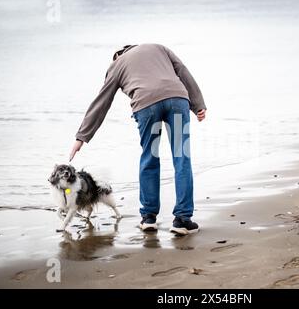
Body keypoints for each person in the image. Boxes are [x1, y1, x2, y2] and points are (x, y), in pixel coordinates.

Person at [69, 44, 207, 235]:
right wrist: (198, 104)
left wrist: (81, 137)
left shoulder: (117, 65)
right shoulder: (158, 48)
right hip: (177, 100)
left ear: (117, 56)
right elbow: (183, 71)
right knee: (181, 157)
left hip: (147, 106)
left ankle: (149, 218)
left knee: (150, 157)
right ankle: (183, 220)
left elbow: (102, 101)